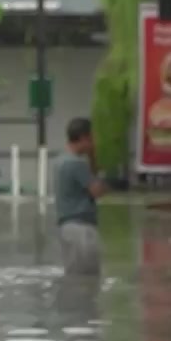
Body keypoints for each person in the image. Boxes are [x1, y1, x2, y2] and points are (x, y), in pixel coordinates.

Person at [54, 117, 105, 274]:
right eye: (92, 139)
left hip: (65, 227)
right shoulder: (77, 163)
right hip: (81, 227)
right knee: (87, 276)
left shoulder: (59, 161)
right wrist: (93, 157)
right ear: (84, 138)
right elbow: (97, 190)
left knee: (73, 274)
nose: (93, 143)